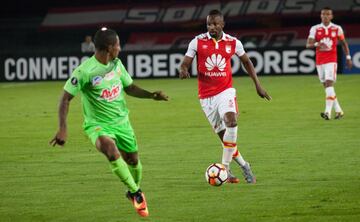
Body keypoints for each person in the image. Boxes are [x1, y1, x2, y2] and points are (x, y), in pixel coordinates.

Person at [50, 27, 168, 217]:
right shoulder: (84, 71)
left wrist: (151, 95)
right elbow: (64, 99)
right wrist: (62, 128)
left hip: (122, 122)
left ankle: (132, 191)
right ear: (108, 48)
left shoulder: (117, 65)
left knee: (133, 161)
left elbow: (130, 88)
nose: (120, 49)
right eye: (118, 45)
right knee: (109, 148)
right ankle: (137, 194)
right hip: (97, 125)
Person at [179, 10, 271, 184]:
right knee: (227, 141)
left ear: (222, 24)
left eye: (215, 24)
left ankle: (225, 168)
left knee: (231, 121)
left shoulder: (233, 42)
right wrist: (183, 69)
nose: (211, 27)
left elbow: (246, 62)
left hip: (225, 91)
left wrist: (257, 84)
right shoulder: (197, 42)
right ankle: (245, 166)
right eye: (209, 24)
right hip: (206, 97)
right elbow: (186, 61)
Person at [306, 7, 352, 120]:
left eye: (328, 14)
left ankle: (327, 112)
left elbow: (344, 43)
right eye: (323, 14)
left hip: (331, 61)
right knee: (327, 88)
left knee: (329, 84)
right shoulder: (315, 29)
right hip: (319, 61)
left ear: (331, 16)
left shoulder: (337, 28)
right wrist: (318, 44)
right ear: (320, 16)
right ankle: (339, 111)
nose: (325, 16)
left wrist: (348, 57)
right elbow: (308, 44)